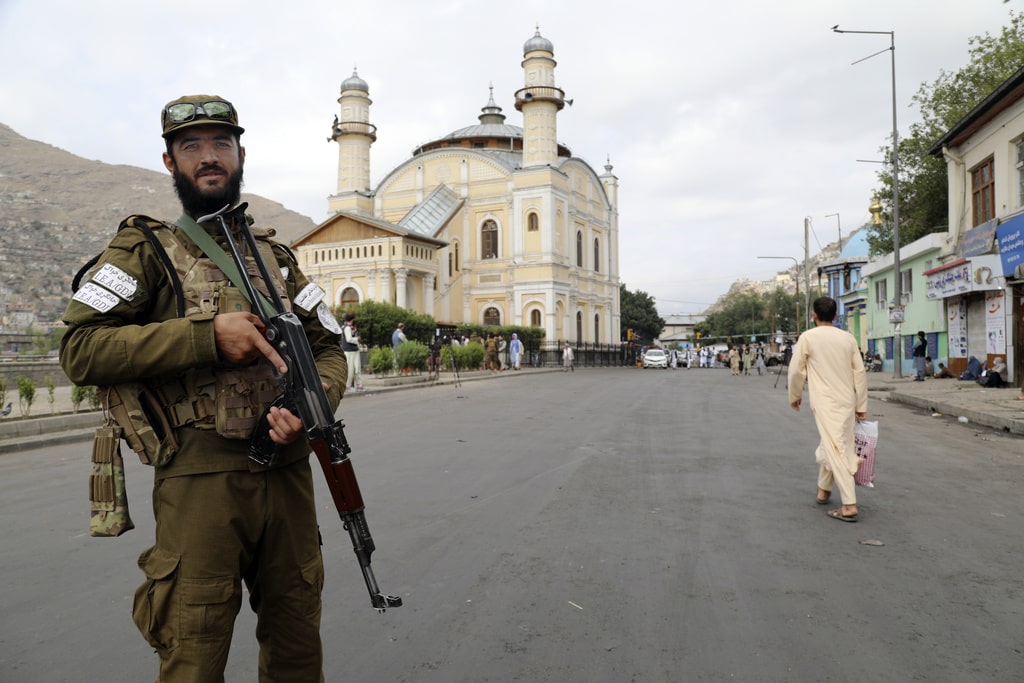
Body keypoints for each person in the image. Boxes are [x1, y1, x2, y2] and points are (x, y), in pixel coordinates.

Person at [59, 95, 348, 679]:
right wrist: (205, 337)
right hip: (200, 481)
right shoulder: (144, 251)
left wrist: (309, 404)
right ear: (170, 162)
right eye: (192, 146)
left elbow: (330, 347)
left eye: (221, 143)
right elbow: (80, 347)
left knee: (297, 646)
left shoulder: (278, 259)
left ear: (241, 154)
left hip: (289, 473)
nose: (208, 157)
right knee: (194, 649)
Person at [788, 296, 867, 523]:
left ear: (814, 315)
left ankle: (849, 504)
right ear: (835, 316)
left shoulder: (808, 338)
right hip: (846, 400)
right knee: (834, 441)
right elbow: (859, 372)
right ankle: (824, 489)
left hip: (824, 401)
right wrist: (861, 404)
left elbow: (796, 371)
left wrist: (795, 396)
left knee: (836, 447)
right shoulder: (848, 338)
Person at [341, 312, 364, 390]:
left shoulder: (351, 327)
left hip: (354, 350)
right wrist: (357, 339)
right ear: (352, 319)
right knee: (350, 369)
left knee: (357, 368)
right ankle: (348, 385)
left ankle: (359, 384)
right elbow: (349, 339)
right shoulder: (347, 328)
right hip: (349, 351)